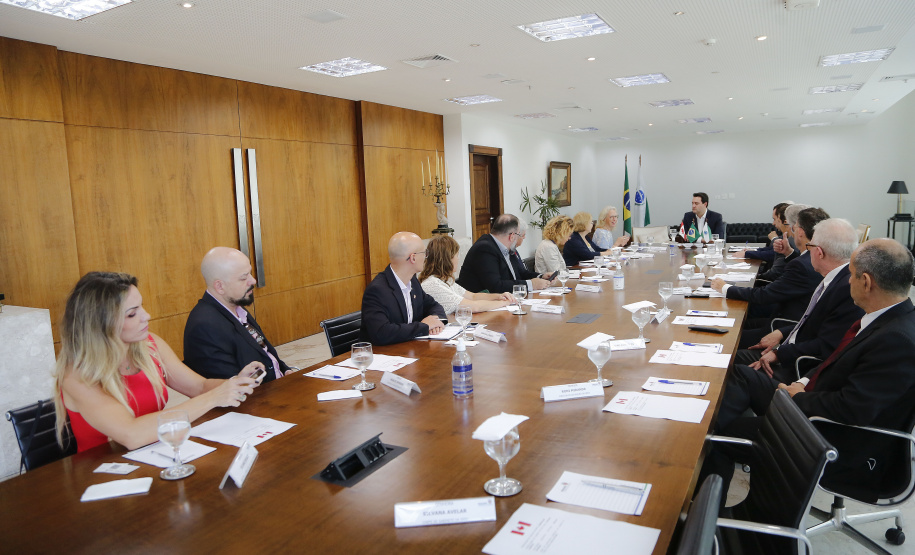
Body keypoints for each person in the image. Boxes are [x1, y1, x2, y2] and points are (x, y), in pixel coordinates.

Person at [702, 238, 915, 495]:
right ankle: (701, 433)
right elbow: (834, 359)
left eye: (851, 275)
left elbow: (854, 409)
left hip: (832, 439)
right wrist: (802, 382)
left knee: (721, 435)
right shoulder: (886, 319)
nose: (848, 281)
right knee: (741, 375)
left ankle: (709, 518)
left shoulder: (897, 340)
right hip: (812, 397)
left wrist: (799, 398)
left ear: (867, 282)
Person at [54, 272, 262, 452]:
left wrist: (232, 384)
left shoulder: (149, 346)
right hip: (104, 475)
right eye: (132, 314)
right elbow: (131, 434)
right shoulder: (77, 376)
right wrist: (214, 398)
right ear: (100, 324)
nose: (146, 316)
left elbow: (199, 387)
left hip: (155, 454)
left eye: (141, 307)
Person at [734, 219, 864, 383]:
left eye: (810, 247)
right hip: (788, 347)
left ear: (819, 252)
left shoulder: (845, 289)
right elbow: (812, 323)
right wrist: (782, 333)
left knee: (727, 363)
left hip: (796, 368)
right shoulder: (837, 279)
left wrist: (779, 353)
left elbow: (827, 345)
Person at [711, 207, 828, 334]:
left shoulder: (803, 264)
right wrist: (789, 253)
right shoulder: (810, 258)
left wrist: (725, 288)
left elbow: (765, 295)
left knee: (727, 332)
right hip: (786, 321)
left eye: (794, 227)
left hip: (782, 327)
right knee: (733, 325)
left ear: (799, 231)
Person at [184, 247, 291, 382]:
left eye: (250, 273)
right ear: (220, 286)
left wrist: (285, 370)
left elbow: (265, 351)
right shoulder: (205, 327)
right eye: (243, 278)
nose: (253, 281)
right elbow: (231, 389)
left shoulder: (236, 308)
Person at [361, 232, 447, 345]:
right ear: (413, 258)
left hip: (409, 349)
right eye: (424, 253)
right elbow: (381, 332)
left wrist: (434, 321)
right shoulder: (377, 290)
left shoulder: (413, 281)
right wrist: (423, 326)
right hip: (384, 355)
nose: (426, 257)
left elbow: (433, 305)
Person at [457, 214, 553, 293]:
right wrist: (530, 285)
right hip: (481, 307)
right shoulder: (485, 249)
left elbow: (521, 273)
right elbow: (496, 286)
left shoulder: (507, 247)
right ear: (512, 236)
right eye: (519, 234)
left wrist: (541, 277)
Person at [419, 235, 513, 314]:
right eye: (456, 255)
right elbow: (474, 307)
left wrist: (499, 296)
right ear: (447, 259)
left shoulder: (444, 280)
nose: (458, 259)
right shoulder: (433, 284)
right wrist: (504, 303)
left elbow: (473, 296)